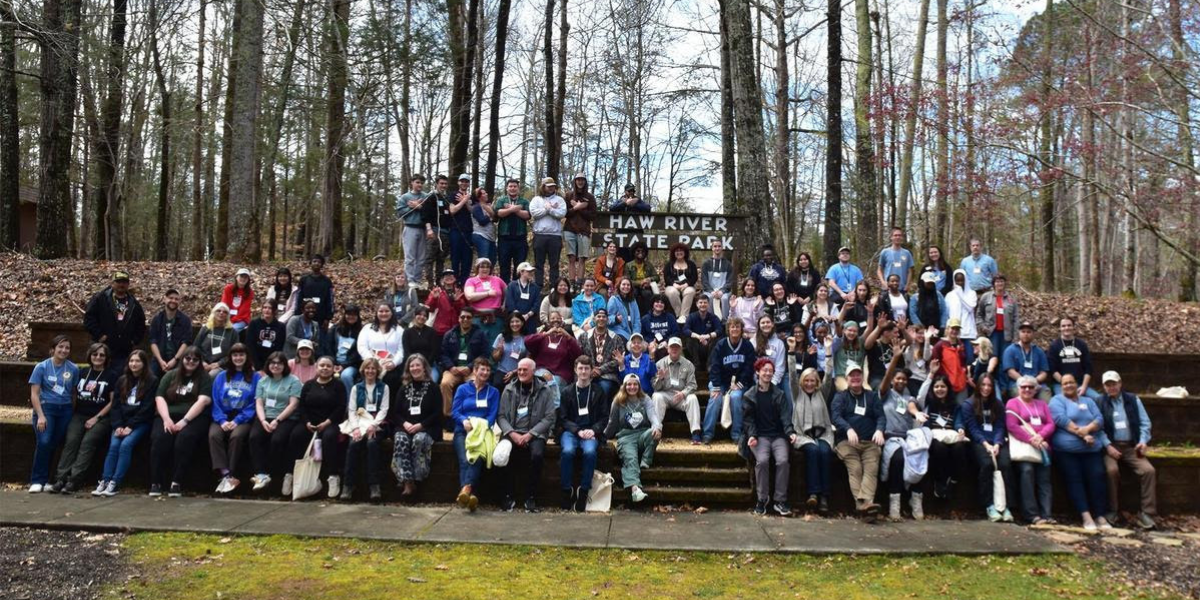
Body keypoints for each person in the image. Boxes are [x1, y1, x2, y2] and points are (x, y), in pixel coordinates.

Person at [50, 343, 118, 494]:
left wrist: (96, 418)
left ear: (106, 358)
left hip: (102, 417)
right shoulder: (81, 372)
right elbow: (73, 392)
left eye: (102, 355)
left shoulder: (111, 375)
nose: (98, 357)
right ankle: (61, 478)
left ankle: (74, 480)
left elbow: (113, 402)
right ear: (90, 355)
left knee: (88, 442)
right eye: (95, 354)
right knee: (72, 440)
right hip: (80, 415)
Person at [1049, 373, 1113, 531]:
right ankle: (1086, 516)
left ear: (1076, 384)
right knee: (1074, 478)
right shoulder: (1057, 400)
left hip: (1091, 449)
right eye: (1065, 383)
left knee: (1097, 477)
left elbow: (1099, 419)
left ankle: (1099, 515)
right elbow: (1061, 420)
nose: (1068, 385)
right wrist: (1083, 434)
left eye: (1071, 382)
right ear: (1061, 386)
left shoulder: (1088, 401)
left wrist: (1087, 430)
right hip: (1067, 451)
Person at [148, 347, 213, 497]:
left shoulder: (204, 378)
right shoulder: (170, 375)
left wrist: (184, 421)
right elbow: (160, 397)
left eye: (195, 359)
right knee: (160, 438)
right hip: (167, 416)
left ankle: (176, 482)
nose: (191, 362)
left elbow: (203, 401)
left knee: (184, 439)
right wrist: (166, 419)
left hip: (194, 417)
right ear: (182, 359)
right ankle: (156, 482)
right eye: (187, 358)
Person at [92, 350, 157, 496]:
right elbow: (115, 406)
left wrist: (130, 426)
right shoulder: (122, 380)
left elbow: (147, 408)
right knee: (114, 445)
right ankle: (105, 479)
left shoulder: (152, 381)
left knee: (126, 445)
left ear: (144, 363)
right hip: (121, 423)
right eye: (131, 361)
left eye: (137, 361)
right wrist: (118, 425)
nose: (134, 364)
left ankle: (115, 482)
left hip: (140, 423)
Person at [495, 358, 557, 512]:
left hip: (536, 434)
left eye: (525, 370)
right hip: (512, 432)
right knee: (501, 456)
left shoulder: (545, 390)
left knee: (537, 455)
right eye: (519, 369)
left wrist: (530, 434)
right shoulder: (509, 389)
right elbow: (501, 416)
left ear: (533, 371)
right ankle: (507, 495)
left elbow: (549, 417)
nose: (521, 372)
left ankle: (531, 497)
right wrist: (512, 433)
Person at [1098, 371, 1157, 529]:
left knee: (1148, 471)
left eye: (1114, 383)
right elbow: (1098, 428)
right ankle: (1112, 511)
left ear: (1120, 383)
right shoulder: (1099, 401)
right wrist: (1108, 446)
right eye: (1108, 384)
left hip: (1131, 446)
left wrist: (1143, 441)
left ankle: (1147, 514)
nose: (1112, 387)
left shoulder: (1132, 399)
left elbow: (1145, 423)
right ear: (1104, 386)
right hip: (1110, 446)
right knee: (1111, 471)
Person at [743, 357, 797, 516]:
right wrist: (752, 435)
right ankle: (762, 499)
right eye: (764, 370)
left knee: (782, 461)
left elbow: (785, 416)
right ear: (758, 372)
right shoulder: (749, 395)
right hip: (760, 437)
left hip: (778, 436)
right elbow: (748, 420)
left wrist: (790, 432)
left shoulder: (779, 394)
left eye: (770, 371)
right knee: (762, 461)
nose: (767, 373)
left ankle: (780, 500)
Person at [830, 362, 885, 518]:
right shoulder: (840, 397)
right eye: (852, 375)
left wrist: (880, 430)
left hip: (869, 442)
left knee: (871, 467)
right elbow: (835, 416)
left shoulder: (872, 396)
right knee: (855, 468)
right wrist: (848, 428)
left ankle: (864, 506)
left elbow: (880, 416)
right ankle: (866, 505)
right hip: (847, 443)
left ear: (862, 377)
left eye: (858, 374)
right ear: (847, 379)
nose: (855, 378)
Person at [289, 356, 349, 499]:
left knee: (329, 437)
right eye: (322, 365)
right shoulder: (309, 385)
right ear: (316, 367)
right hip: (310, 423)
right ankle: (290, 474)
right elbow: (302, 406)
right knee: (296, 435)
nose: (325, 368)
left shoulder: (338, 385)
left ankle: (332, 476)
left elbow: (341, 407)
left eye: (328, 366)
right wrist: (307, 422)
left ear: (334, 368)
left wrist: (327, 422)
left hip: (331, 422)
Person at [877, 341, 925, 521]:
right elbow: (884, 382)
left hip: (908, 437)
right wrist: (896, 357)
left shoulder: (908, 397)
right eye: (898, 378)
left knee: (919, 457)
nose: (901, 381)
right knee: (898, 459)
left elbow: (912, 407)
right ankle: (894, 503)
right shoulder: (885, 394)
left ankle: (916, 499)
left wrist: (916, 414)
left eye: (904, 379)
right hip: (890, 438)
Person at [28, 335, 81, 492]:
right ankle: (37, 480)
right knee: (44, 442)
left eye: (67, 348)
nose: (64, 350)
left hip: (65, 410)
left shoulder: (73, 368)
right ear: (53, 349)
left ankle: (49, 480)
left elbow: (73, 392)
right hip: (46, 409)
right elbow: (34, 394)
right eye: (61, 347)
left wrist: (72, 411)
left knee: (55, 444)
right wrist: (41, 415)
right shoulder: (41, 367)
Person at [789, 336, 836, 512]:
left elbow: (829, 375)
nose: (809, 383)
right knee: (813, 451)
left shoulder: (821, 393)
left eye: (812, 380)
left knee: (824, 452)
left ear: (817, 382)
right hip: (803, 435)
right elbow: (792, 374)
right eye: (806, 380)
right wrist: (792, 352)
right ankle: (813, 494)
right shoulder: (797, 393)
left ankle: (825, 496)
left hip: (823, 433)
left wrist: (829, 351)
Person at [559, 356, 611, 511]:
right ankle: (566, 490)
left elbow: (604, 417)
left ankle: (584, 490)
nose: (583, 371)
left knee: (589, 452)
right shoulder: (567, 391)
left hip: (590, 432)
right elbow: (562, 418)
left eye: (586, 368)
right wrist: (577, 430)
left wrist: (593, 430)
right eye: (580, 368)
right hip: (571, 431)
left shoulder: (598, 391)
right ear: (575, 370)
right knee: (568, 451)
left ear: (591, 371)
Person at [961, 374, 1014, 522]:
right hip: (979, 442)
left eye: (989, 385)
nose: (986, 388)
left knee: (1005, 464)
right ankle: (989, 505)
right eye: (983, 385)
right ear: (978, 386)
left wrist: (997, 444)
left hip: (997, 442)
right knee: (987, 464)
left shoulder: (997, 404)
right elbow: (972, 428)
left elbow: (1000, 426)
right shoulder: (968, 404)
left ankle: (1006, 506)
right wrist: (985, 444)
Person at [208, 343, 260, 494]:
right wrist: (222, 420)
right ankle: (225, 474)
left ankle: (231, 474)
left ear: (246, 357)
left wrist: (237, 421)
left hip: (243, 417)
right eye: (235, 355)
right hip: (223, 416)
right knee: (214, 435)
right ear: (230, 357)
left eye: (241, 355)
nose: (238, 358)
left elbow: (254, 403)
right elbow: (215, 400)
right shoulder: (221, 376)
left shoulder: (255, 377)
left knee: (236, 437)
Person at [450, 358, 500, 511]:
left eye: (487, 370)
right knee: (466, 459)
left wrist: (481, 426)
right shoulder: (463, 389)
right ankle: (471, 495)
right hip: (463, 430)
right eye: (482, 369)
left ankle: (465, 490)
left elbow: (492, 415)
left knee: (476, 457)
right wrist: (464, 420)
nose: (485, 373)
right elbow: (455, 411)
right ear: (475, 371)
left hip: (483, 433)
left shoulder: (493, 392)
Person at [248, 351, 301, 495]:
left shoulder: (293, 381)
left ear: (285, 365)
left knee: (277, 440)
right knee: (254, 437)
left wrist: (278, 420)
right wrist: (263, 420)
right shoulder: (262, 381)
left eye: (279, 363)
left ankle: (273, 473)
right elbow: (259, 403)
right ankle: (260, 474)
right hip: (265, 416)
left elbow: (293, 404)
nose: (276, 366)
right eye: (272, 363)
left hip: (285, 417)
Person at [604, 373, 662, 504]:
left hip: (642, 434)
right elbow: (612, 423)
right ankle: (635, 489)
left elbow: (653, 417)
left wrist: (657, 427)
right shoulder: (618, 401)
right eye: (629, 384)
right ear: (624, 386)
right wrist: (602, 436)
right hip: (626, 437)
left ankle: (646, 459)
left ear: (639, 386)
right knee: (630, 458)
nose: (632, 387)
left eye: (635, 384)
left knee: (655, 432)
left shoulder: (645, 399)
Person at [1006, 375, 1056, 524]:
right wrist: (1031, 440)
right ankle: (1032, 514)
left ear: (1035, 389)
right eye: (1023, 387)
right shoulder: (1012, 403)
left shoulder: (1042, 404)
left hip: (1042, 446)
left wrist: (1040, 436)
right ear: (1018, 389)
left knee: (1044, 479)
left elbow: (1051, 423)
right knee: (1027, 473)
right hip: (1024, 448)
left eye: (1030, 387)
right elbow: (1012, 426)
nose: (1027, 389)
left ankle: (1047, 514)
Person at [390, 353, 442, 498]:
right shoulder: (404, 388)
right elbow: (395, 413)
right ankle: (407, 481)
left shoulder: (433, 388)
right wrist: (405, 423)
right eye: (411, 366)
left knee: (419, 439)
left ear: (424, 368)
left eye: (417, 365)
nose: (414, 368)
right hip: (405, 426)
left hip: (427, 427)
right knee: (400, 439)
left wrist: (421, 425)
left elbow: (437, 413)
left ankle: (417, 478)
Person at [339, 358, 390, 501]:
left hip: (377, 424)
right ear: (363, 370)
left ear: (378, 371)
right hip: (359, 423)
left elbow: (384, 409)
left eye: (373, 368)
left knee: (372, 444)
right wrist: (355, 428)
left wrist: (374, 425)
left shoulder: (384, 387)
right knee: (354, 444)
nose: (370, 371)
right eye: (367, 368)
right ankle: (348, 485)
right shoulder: (356, 388)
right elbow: (352, 410)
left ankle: (374, 485)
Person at [915, 370, 970, 499]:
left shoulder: (955, 406)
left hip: (951, 434)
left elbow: (958, 421)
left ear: (948, 388)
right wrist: (931, 375)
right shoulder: (929, 404)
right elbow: (921, 397)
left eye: (943, 386)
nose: (939, 389)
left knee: (960, 448)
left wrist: (960, 429)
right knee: (940, 448)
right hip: (934, 436)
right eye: (936, 386)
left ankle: (954, 480)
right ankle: (939, 481)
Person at [704, 318, 755, 444]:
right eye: (732, 327)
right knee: (715, 398)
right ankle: (707, 433)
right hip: (720, 382)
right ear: (728, 329)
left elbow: (749, 367)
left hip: (738, 383)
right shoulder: (721, 344)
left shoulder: (747, 346)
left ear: (741, 329)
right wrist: (716, 386)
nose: (735, 329)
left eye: (738, 327)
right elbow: (714, 366)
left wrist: (740, 383)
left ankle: (736, 434)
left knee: (736, 398)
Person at [83, 271, 146, 371]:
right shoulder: (100, 298)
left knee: (119, 378)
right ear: (112, 283)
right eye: (118, 282)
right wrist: (100, 335)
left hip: (123, 350)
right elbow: (89, 319)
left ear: (128, 284)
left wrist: (133, 340)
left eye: (124, 282)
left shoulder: (133, 303)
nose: (121, 284)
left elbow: (141, 323)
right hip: (102, 348)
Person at [439, 308, 489, 418]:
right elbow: (443, 354)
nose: (465, 319)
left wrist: (470, 366)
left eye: (468, 317)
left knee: (475, 383)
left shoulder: (480, 334)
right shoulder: (449, 334)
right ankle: (448, 416)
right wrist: (451, 367)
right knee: (445, 384)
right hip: (453, 369)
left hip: (472, 370)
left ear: (473, 319)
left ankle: (471, 414)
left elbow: (484, 354)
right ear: (458, 319)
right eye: (462, 317)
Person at [524, 311, 582, 403]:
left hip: (561, 374)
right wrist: (546, 333)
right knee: (543, 379)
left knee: (556, 383)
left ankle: (555, 409)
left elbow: (578, 354)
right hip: (541, 370)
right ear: (548, 321)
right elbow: (527, 341)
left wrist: (568, 336)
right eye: (552, 318)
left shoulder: (567, 338)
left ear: (562, 320)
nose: (555, 320)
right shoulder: (543, 336)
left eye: (558, 318)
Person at [652, 337, 702, 444]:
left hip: (681, 395)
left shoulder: (688, 365)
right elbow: (655, 388)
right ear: (668, 349)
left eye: (677, 347)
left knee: (693, 398)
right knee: (656, 396)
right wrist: (659, 379)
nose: (674, 349)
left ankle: (696, 433)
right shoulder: (659, 364)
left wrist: (684, 393)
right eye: (672, 347)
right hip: (665, 394)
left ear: (681, 349)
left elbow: (693, 385)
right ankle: (656, 430)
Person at [1047, 316, 1099, 399]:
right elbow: (1053, 370)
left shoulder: (1081, 344)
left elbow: (1088, 369)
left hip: (1080, 384)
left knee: (1098, 398)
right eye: (1063, 326)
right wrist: (1067, 384)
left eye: (1069, 325)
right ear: (1060, 328)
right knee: (1063, 400)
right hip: (1061, 385)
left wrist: (1084, 387)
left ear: (1073, 327)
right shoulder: (1054, 346)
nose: (1066, 328)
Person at [577, 309, 623, 399]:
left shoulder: (616, 338)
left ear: (608, 320)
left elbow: (617, 360)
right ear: (594, 319)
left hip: (607, 376)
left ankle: (602, 413)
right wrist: (591, 369)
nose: (601, 319)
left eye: (604, 317)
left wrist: (601, 369)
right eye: (598, 316)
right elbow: (579, 357)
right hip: (587, 373)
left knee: (603, 388)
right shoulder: (583, 337)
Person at [355, 304, 403, 390]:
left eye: (387, 311)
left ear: (391, 313)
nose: (384, 313)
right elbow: (362, 347)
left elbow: (401, 350)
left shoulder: (399, 330)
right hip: (371, 365)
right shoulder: (368, 328)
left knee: (392, 380)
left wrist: (394, 363)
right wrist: (374, 361)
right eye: (381, 311)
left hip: (391, 366)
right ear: (376, 313)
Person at [529, 177, 567, 287]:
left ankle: (554, 286)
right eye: (549, 186)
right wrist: (548, 209)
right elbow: (534, 214)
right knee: (539, 263)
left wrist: (549, 209)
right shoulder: (536, 200)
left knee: (554, 263)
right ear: (543, 187)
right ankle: (538, 286)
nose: (551, 188)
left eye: (553, 186)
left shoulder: (559, 200)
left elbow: (561, 214)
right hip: (539, 235)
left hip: (555, 236)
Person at [148, 289, 193, 377]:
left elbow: (186, 342)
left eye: (176, 299)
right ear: (164, 299)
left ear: (179, 301)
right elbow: (153, 342)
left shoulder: (185, 320)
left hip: (178, 359)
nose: (173, 301)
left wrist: (175, 360)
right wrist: (160, 361)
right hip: (159, 359)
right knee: (151, 378)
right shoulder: (157, 319)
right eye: (170, 298)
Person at [563, 173, 598, 287]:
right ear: (575, 181)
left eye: (582, 180)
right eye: (578, 179)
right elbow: (564, 213)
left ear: (585, 181)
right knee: (571, 257)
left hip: (584, 231)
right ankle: (572, 283)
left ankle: (579, 283)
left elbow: (593, 216)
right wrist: (575, 208)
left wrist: (581, 209)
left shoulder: (590, 197)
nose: (580, 182)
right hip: (569, 229)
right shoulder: (568, 196)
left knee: (582, 258)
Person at [495, 179, 532, 282]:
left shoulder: (524, 201)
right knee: (504, 265)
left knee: (520, 266)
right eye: (510, 186)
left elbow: (528, 215)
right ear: (507, 188)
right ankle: (505, 290)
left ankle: (517, 288)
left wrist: (511, 209)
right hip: (504, 238)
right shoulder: (501, 200)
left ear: (518, 188)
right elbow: (499, 213)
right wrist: (514, 209)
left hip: (520, 239)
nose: (512, 188)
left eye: (515, 186)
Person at [1002, 321, 1050, 400]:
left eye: (1029, 332)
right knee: (1024, 397)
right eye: (1023, 332)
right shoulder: (1010, 350)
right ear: (1019, 333)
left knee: (1046, 397)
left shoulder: (1039, 351)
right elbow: (1010, 372)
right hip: (1017, 384)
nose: (1026, 334)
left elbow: (1044, 372)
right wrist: (1025, 382)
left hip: (1037, 384)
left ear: (1033, 334)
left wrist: (1034, 381)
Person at [420, 175, 453, 285]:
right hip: (434, 231)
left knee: (441, 259)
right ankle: (430, 283)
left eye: (445, 184)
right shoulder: (431, 197)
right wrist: (429, 229)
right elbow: (425, 215)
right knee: (429, 258)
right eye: (441, 183)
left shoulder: (446, 199)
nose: (443, 186)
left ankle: (439, 283)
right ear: (437, 184)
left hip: (445, 233)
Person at [399, 174, 431, 286]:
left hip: (423, 229)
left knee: (421, 257)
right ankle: (409, 280)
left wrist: (420, 206)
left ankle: (417, 280)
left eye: (421, 183)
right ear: (412, 183)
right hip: (410, 228)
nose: (420, 185)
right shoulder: (405, 197)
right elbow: (400, 212)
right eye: (417, 182)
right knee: (410, 257)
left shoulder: (426, 196)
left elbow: (430, 211)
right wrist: (411, 207)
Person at [976, 274, 1017, 359]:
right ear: (993, 284)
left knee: (1005, 356)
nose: (999, 284)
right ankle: (990, 372)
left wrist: (1016, 336)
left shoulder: (1011, 299)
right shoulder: (986, 297)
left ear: (1005, 283)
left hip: (1007, 334)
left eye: (1001, 281)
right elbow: (979, 314)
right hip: (991, 332)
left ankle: (1003, 372)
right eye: (997, 282)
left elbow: (1016, 318)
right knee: (992, 356)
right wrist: (982, 327)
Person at [608, 184, 652, 262]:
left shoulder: (638, 200)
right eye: (629, 191)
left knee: (635, 257)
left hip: (636, 234)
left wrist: (635, 204)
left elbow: (647, 208)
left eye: (632, 191)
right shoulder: (621, 200)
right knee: (622, 258)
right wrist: (625, 203)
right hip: (622, 234)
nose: (631, 192)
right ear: (625, 192)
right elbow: (612, 208)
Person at [325, 304, 364, 392]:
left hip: (351, 364)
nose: (351, 317)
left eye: (354, 315)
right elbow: (328, 346)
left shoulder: (361, 332)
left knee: (346, 376)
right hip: (334, 361)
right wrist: (333, 362)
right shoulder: (335, 329)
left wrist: (344, 366)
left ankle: (349, 402)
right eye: (349, 314)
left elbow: (358, 353)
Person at [930, 318, 970, 402]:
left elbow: (964, 362)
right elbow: (936, 366)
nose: (955, 331)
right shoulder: (939, 346)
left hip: (962, 384)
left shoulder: (961, 344)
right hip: (947, 386)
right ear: (947, 329)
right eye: (953, 328)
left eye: (957, 329)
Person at [447, 174, 476, 284]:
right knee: (455, 257)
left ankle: (464, 282)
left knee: (467, 258)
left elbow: (473, 212)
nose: (464, 183)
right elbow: (453, 210)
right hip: (455, 230)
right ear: (458, 182)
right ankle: (454, 281)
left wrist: (467, 201)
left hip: (469, 231)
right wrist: (463, 201)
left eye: (466, 181)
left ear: (469, 183)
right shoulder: (452, 195)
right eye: (462, 181)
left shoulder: (471, 197)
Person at [946, 269, 979, 365]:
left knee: (969, 359)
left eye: (961, 280)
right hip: (954, 333)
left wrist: (960, 294)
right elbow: (948, 313)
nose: (959, 283)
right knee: (956, 359)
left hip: (968, 332)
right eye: (957, 281)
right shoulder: (949, 295)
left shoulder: (972, 293)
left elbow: (970, 307)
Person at [194, 303, 236, 375]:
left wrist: (219, 363)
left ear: (227, 316)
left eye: (225, 312)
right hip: (202, 362)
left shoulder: (232, 332)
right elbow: (195, 347)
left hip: (221, 365)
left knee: (212, 374)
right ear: (213, 313)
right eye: (218, 311)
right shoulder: (206, 328)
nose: (221, 313)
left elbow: (234, 352)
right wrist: (202, 362)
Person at [663, 243, 699, 324]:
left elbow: (694, 277)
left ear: (685, 252)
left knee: (689, 291)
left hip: (687, 286)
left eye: (681, 250)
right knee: (672, 292)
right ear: (674, 253)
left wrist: (686, 284)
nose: (679, 252)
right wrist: (674, 284)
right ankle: (678, 314)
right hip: (672, 286)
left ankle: (684, 316)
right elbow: (666, 278)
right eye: (677, 251)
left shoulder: (691, 264)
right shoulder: (669, 265)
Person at [684, 294, 722, 369]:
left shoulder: (713, 317)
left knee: (718, 339)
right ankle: (696, 365)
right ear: (697, 304)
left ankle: (710, 365)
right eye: (700, 302)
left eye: (705, 302)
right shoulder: (691, 316)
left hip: (709, 345)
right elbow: (686, 330)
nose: (703, 305)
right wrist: (699, 337)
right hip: (696, 346)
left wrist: (707, 336)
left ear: (708, 304)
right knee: (689, 340)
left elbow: (719, 330)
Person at [402, 306, 441, 380]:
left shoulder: (432, 332)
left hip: (429, 365)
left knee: (432, 380)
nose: (422, 317)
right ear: (414, 315)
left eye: (425, 315)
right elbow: (406, 351)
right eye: (419, 314)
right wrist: (414, 365)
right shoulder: (407, 332)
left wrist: (424, 366)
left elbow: (434, 351)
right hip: (412, 365)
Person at [297, 255, 335, 328]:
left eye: (319, 262)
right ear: (310, 263)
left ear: (322, 265)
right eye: (314, 261)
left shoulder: (326, 281)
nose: (316, 263)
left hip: (321, 315)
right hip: (305, 314)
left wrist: (328, 318)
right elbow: (299, 297)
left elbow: (329, 300)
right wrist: (298, 313)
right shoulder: (304, 280)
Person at [752, 315, 787, 398]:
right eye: (763, 323)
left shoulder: (779, 343)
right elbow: (751, 365)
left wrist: (772, 384)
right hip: (758, 381)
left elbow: (780, 367)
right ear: (759, 326)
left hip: (774, 381)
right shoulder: (753, 342)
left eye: (768, 322)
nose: (765, 324)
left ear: (772, 324)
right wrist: (759, 383)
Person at [246, 302, 287, 370]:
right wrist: (256, 364)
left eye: (270, 308)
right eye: (265, 307)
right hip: (255, 359)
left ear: (275, 310)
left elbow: (279, 347)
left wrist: (272, 363)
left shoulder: (281, 326)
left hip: (273, 361)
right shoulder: (254, 323)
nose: (267, 310)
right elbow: (250, 344)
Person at [426, 268, 466, 337]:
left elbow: (463, 311)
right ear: (442, 280)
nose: (449, 277)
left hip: (456, 330)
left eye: (451, 275)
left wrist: (457, 301)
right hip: (440, 330)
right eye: (446, 276)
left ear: (455, 279)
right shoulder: (436, 291)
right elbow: (429, 308)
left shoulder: (459, 292)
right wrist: (434, 298)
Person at [701, 239, 735, 320]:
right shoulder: (706, 263)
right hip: (709, 290)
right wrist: (711, 291)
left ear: (722, 248)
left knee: (725, 298)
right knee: (709, 298)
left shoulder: (728, 264)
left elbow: (729, 281)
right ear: (712, 248)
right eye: (715, 246)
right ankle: (710, 320)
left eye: (719, 246)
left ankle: (725, 321)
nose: (717, 248)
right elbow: (704, 280)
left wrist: (722, 291)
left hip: (724, 291)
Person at [491, 312, 527, 388]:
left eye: (517, 321)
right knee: (497, 384)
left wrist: (515, 372)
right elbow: (494, 358)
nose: (515, 324)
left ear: (522, 323)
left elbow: (528, 359)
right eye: (512, 322)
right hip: (502, 371)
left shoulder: (526, 338)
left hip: (519, 372)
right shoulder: (501, 337)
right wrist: (500, 351)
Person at [503, 262, 541, 333]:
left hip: (530, 320)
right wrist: (518, 315)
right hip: (514, 319)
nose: (531, 273)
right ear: (521, 272)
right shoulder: (512, 285)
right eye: (528, 271)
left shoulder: (535, 287)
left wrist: (528, 314)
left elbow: (537, 302)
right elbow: (510, 301)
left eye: (531, 271)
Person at [640, 294, 679, 359]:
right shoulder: (645, 319)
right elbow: (642, 334)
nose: (659, 304)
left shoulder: (670, 317)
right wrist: (650, 341)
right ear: (652, 304)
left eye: (662, 302)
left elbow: (676, 332)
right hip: (651, 343)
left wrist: (667, 341)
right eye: (657, 302)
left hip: (666, 343)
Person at [624, 241, 658, 314]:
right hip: (633, 287)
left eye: (643, 251)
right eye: (638, 251)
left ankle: (648, 314)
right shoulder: (628, 265)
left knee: (647, 294)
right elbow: (627, 279)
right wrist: (640, 283)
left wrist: (649, 279)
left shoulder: (648, 264)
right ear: (634, 252)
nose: (640, 253)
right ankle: (632, 313)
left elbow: (657, 277)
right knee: (634, 293)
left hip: (646, 287)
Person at [607, 277, 641, 341]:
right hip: (618, 331)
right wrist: (616, 319)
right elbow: (608, 318)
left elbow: (637, 319)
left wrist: (636, 333)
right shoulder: (613, 299)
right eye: (623, 284)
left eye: (628, 285)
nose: (626, 286)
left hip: (631, 332)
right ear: (619, 286)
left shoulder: (633, 300)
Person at [221, 268, 255, 333]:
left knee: (232, 330)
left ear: (248, 280)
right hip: (227, 317)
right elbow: (224, 304)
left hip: (241, 319)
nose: (243, 279)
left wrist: (232, 321)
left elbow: (244, 310)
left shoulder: (250, 292)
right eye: (241, 276)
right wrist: (226, 319)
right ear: (236, 277)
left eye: (246, 277)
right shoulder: (228, 288)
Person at [470, 186, 498, 264]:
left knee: (492, 260)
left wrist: (492, 214)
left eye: (486, 193)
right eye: (484, 193)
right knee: (483, 260)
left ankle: (490, 276)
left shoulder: (489, 206)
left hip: (491, 237)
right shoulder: (476, 207)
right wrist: (490, 215)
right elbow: (482, 221)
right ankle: (481, 276)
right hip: (481, 236)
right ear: (479, 197)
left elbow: (496, 219)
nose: (486, 194)